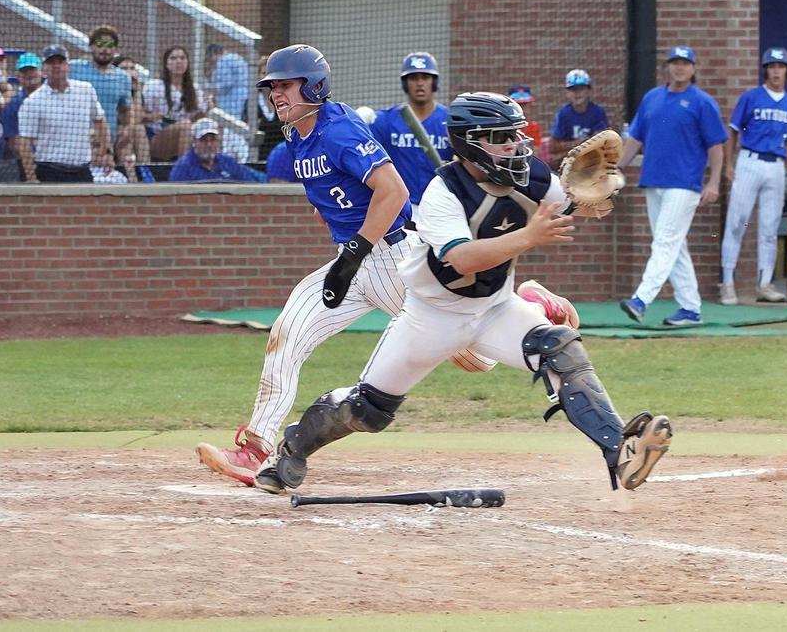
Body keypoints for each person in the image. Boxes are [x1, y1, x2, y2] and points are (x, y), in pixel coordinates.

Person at [252, 91, 672, 496]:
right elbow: (463, 259)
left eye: (515, 136)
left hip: (495, 308)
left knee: (560, 349)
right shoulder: (442, 193)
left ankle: (621, 451)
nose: (515, 146)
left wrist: (594, 196)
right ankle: (291, 449)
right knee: (368, 411)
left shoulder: (531, 174)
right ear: (472, 145)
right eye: (501, 139)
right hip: (430, 317)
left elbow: (575, 206)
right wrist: (528, 237)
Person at [196, 45, 513, 486]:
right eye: (272, 88)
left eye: (286, 86)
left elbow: (395, 192)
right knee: (287, 336)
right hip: (353, 263)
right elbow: (334, 189)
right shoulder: (295, 133)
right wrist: (336, 220)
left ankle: (528, 301)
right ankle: (255, 449)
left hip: (393, 259)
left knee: (477, 357)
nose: (276, 95)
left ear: (314, 86)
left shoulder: (339, 131)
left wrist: (356, 247)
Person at [616, 45, 727, 326]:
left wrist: (713, 182)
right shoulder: (652, 98)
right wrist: (615, 168)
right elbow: (636, 139)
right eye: (674, 62)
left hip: (685, 183)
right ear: (667, 67)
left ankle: (641, 300)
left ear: (693, 68)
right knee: (673, 245)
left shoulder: (703, 102)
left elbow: (716, 146)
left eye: (685, 63)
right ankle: (690, 309)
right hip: (653, 180)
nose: (679, 68)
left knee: (665, 241)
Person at [719, 46, 787, 305]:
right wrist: (729, 163)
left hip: (776, 166)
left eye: (780, 67)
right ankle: (728, 283)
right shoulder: (751, 97)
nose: (776, 71)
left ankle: (764, 284)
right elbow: (733, 130)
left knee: (769, 228)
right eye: (772, 67)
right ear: (765, 70)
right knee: (738, 222)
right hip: (749, 160)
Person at [16, 45, 110, 183]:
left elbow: (100, 121)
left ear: (68, 66)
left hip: (82, 170)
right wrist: (31, 177)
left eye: (60, 62)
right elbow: (25, 142)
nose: (56, 66)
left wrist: (106, 152)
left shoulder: (86, 90)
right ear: (44, 69)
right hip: (49, 171)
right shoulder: (32, 101)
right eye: (51, 63)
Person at [369, 52, 452, 207]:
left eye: (425, 77)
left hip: (441, 206)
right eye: (413, 78)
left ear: (434, 82)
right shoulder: (385, 121)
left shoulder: (450, 121)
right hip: (401, 208)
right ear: (405, 83)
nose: (420, 83)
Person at [68, 25, 131, 151]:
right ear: (91, 47)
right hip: (75, 141)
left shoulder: (123, 77)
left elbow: (125, 110)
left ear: (115, 49)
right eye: (100, 44)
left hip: (107, 146)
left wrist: (126, 129)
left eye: (109, 45)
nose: (105, 49)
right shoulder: (73, 69)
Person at [144, 45, 206, 161]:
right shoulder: (154, 86)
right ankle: (184, 169)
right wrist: (151, 117)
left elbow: (198, 120)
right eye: (173, 58)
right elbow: (139, 116)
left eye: (182, 58)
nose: (179, 61)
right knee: (185, 125)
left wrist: (205, 110)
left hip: (185, 137)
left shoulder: (194, 89)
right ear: (166, 64)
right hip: (156, 139)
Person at [546, 69, 609, 170]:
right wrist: (580, 143)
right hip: (569, 164)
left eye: (581, 89)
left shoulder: (597, 112)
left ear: (589, 91)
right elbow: (553, 146)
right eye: (573, 89)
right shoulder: (563, 114)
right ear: (567, 93)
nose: (577, 93)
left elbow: (600, 142)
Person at [168, 118, 264, 182]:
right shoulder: (183, 168)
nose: (209, 144)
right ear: (194, 142)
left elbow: (252, 178)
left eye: (212, 140)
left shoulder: (227, 162)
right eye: (203, 140)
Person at [111, 54, 151, 180]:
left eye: (132, 68)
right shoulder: (111, 90)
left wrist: (137, 90)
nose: (129, 72)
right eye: (124, 69)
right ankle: (130, 179)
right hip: (111, 137)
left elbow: (137, 119)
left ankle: (147, 175)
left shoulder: (137, 93)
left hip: (131, 136)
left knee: (138, 129)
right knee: (126, 132)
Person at [0, 53, 41, 160]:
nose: (29, 74)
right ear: (18, 76)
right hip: (26, 160)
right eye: (24, 71)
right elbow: (13, 141)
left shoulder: (53, 99)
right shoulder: (12, 105)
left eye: (32, 69)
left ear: (41, 72)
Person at [205, 43, 249, 119]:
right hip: (245, 98)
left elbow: (226, 84)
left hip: (232, 103)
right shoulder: (237, 58)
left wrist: (211, 87)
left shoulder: (223, 61)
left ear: (215, 54)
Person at [508, 85, 543, 154]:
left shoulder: (533, 126)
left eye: (525, 105)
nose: (522, 109)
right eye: (519, 105)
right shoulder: (504, 126)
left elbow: (536, 152)